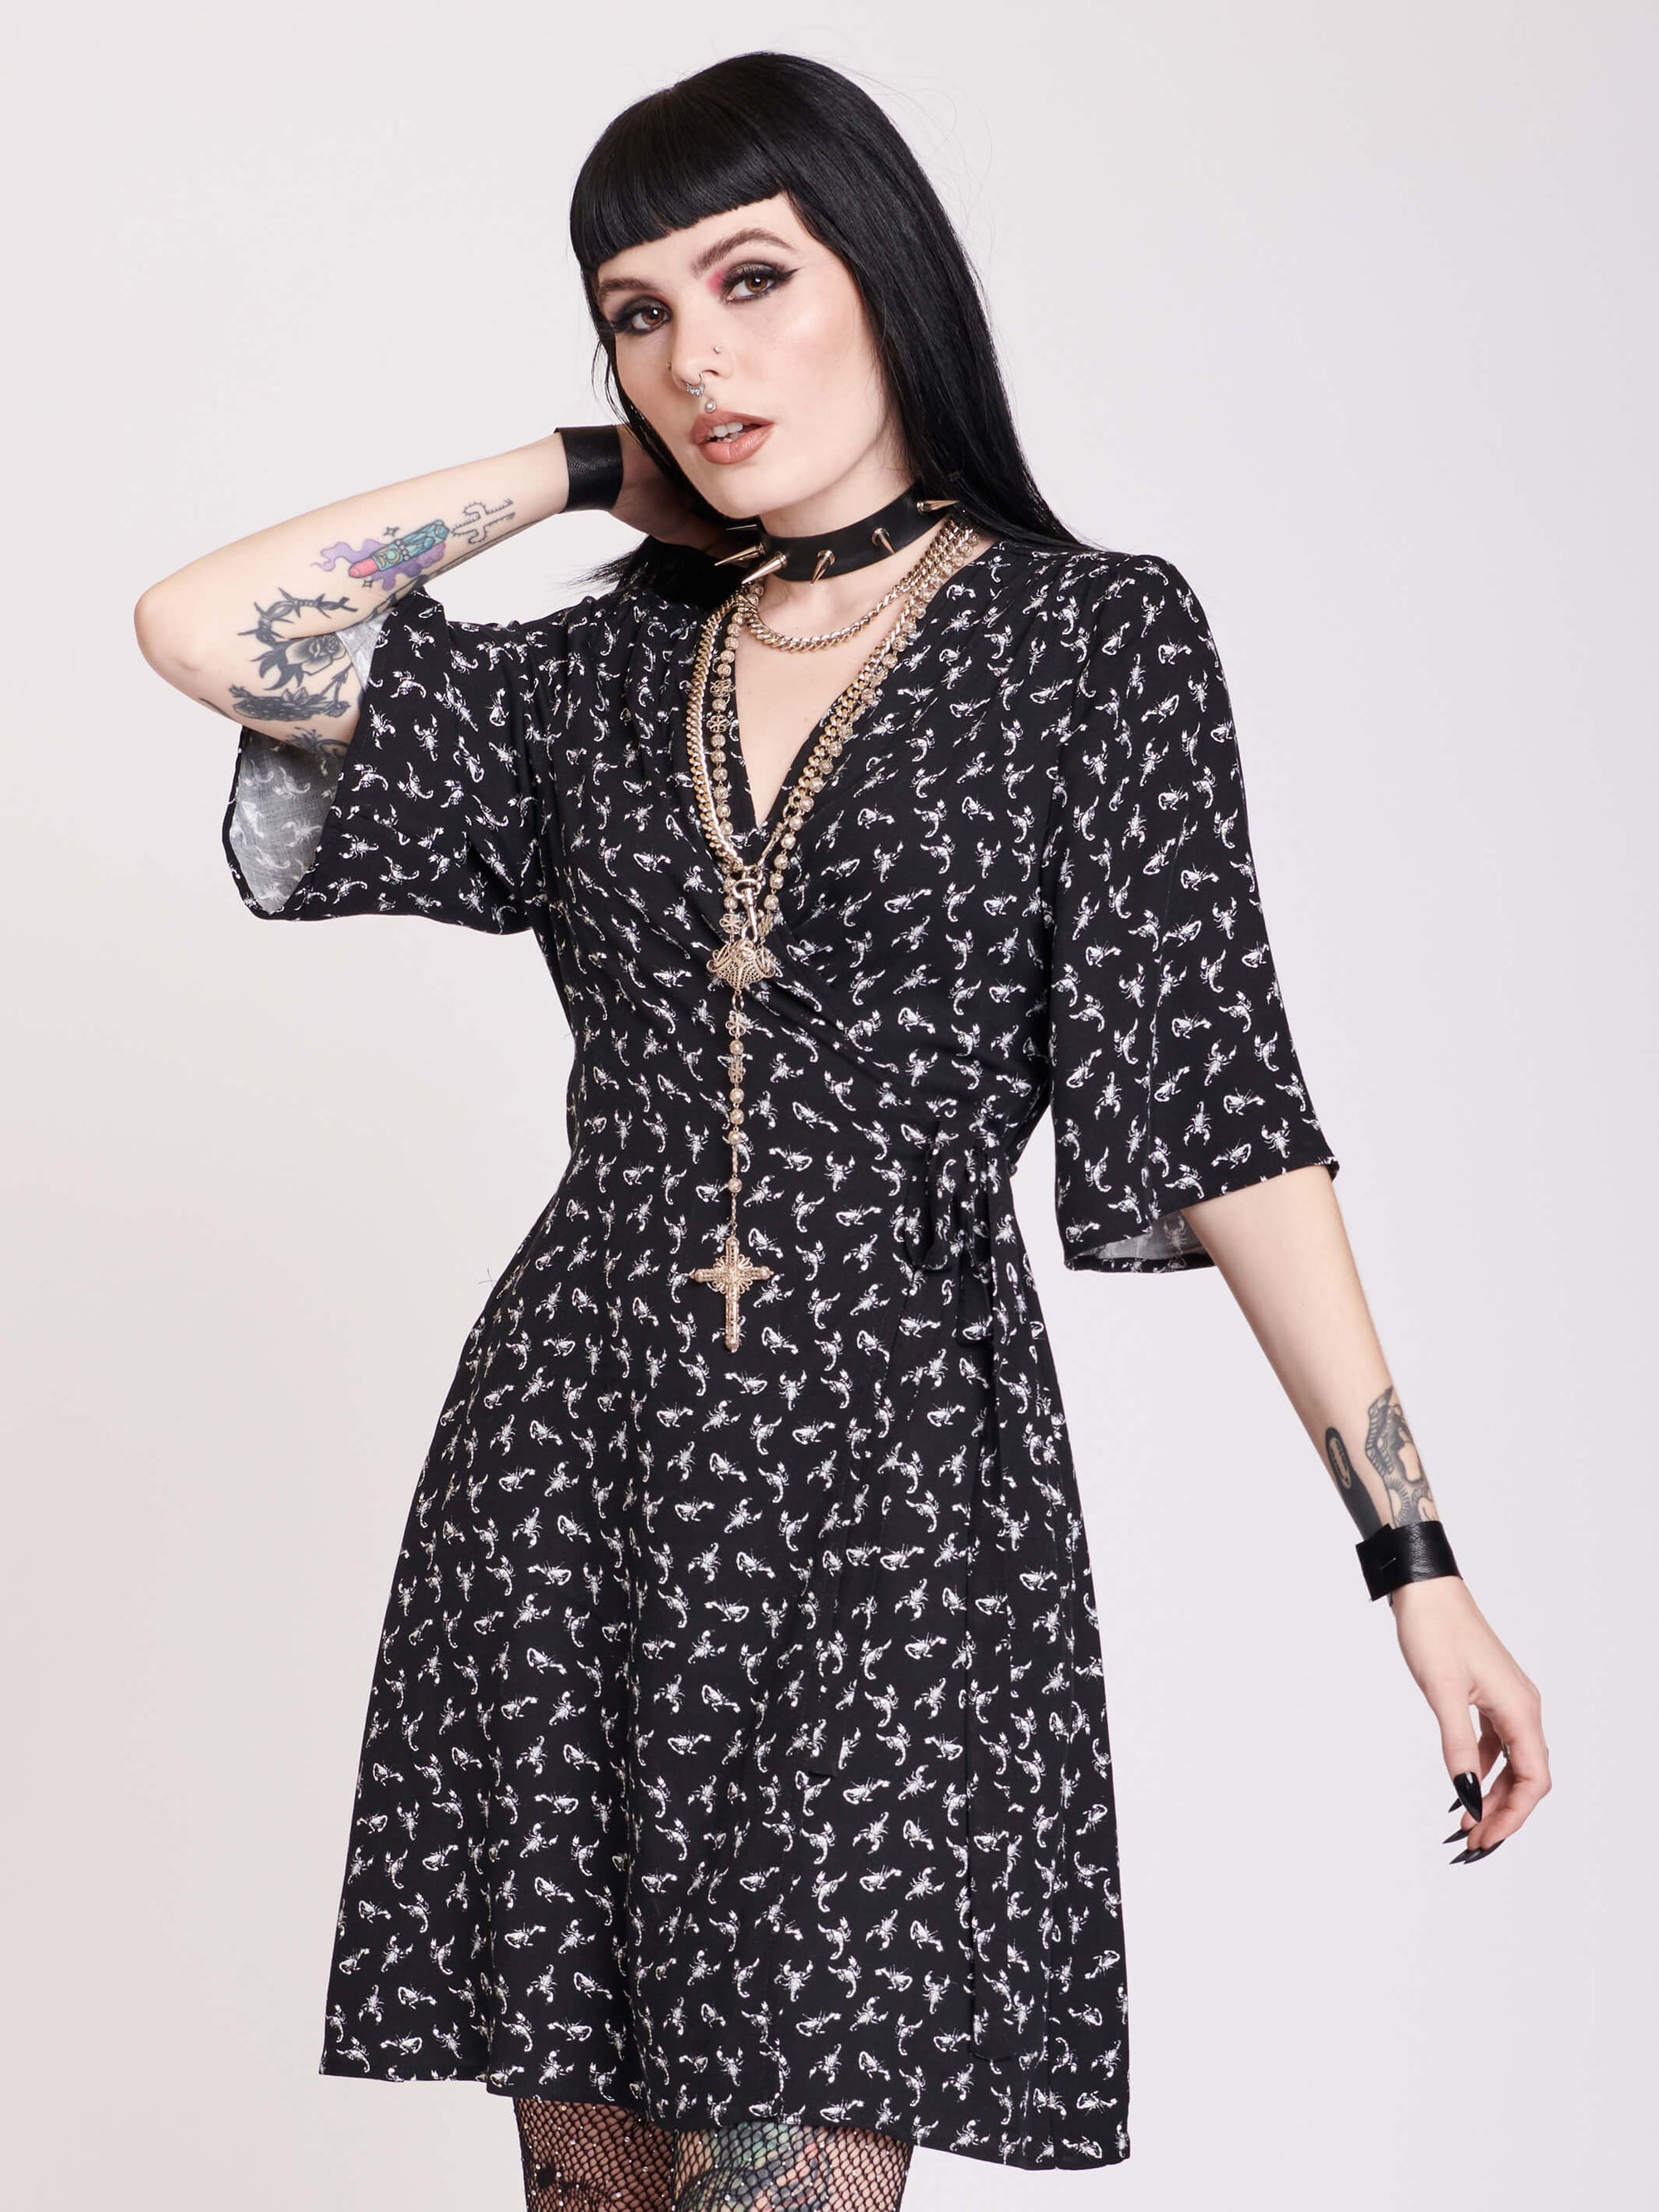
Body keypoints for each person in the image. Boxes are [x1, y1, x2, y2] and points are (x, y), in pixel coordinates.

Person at [133, 47, 1550, 2212]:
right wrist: (591, 471)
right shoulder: (597, 680)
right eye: (634, 313)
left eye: (752, 279)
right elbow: (208, 626)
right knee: (598, 2193)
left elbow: (1230, 1119)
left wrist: (1414, 1564)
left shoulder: (1092, 644)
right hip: (576, 1482)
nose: (696, 357)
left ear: (883, 269)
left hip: (892, 1498)